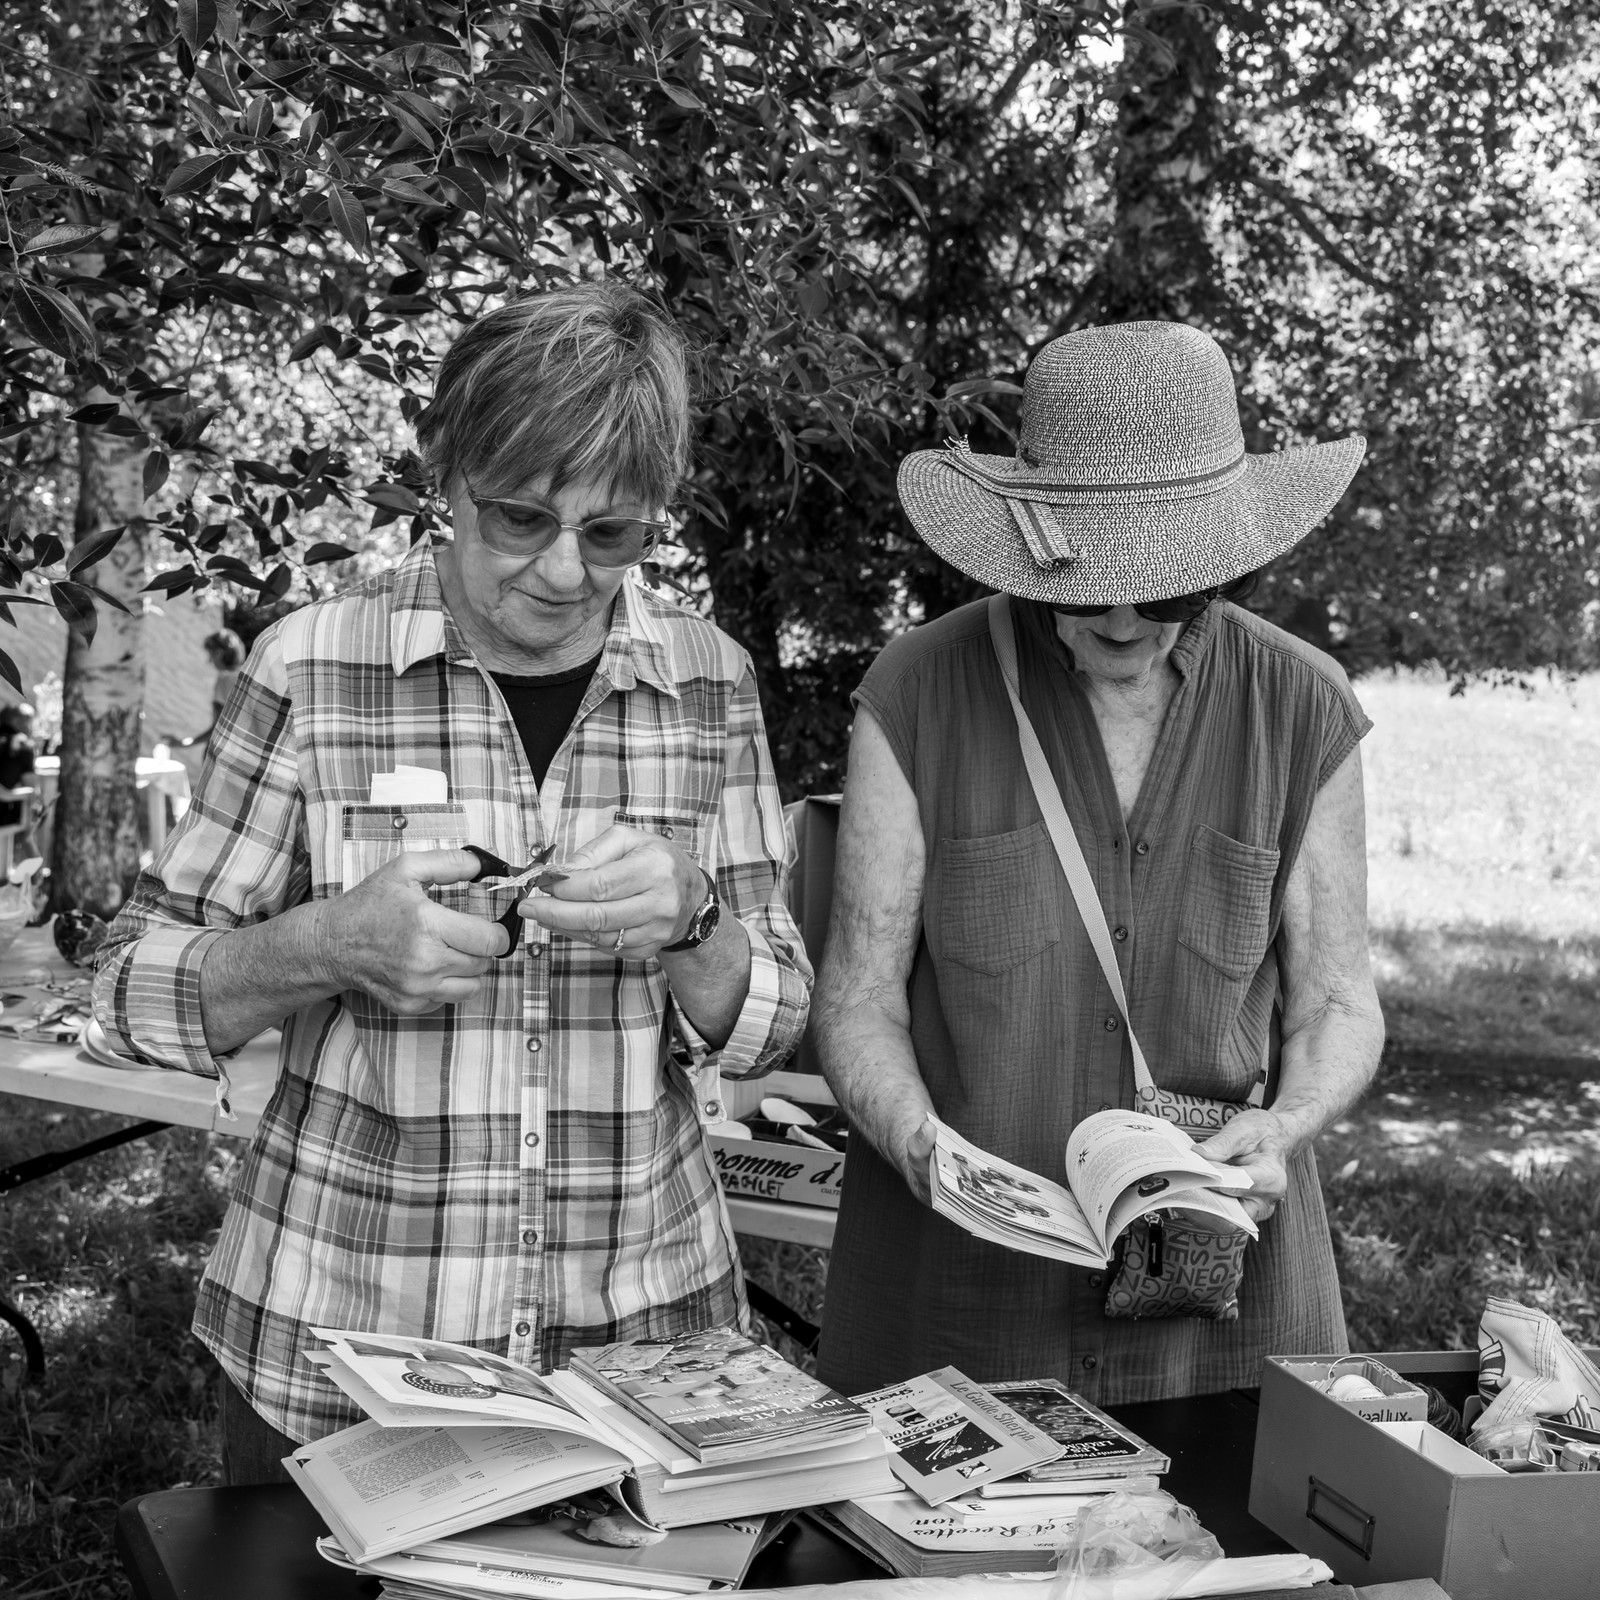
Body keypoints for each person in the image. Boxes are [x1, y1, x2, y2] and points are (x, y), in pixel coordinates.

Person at [93, 281, 811, 1481]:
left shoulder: (708, 684)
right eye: (521, 517)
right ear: (448, 474)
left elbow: (774, 1019)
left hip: (641, 1350)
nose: (564, 571)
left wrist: (696, 922)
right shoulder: (314, 665)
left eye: (613, 534)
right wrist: (326, 944)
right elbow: (127, 987)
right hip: (346, 1351)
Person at [814, 321, 1385, 1404]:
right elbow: (857, 996)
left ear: (1224, 561)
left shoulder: (1302, 704)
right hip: (965, 1308)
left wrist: (1287, 1125)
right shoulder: (918, 692)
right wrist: (913, 1137)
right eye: (1082, 587)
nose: (1121, 621)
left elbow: (1337, 1002)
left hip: (1223, 1314)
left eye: (1164, 590)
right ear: (1025, 546)